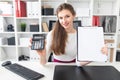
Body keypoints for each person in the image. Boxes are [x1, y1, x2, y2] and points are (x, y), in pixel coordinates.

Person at [30, 3, 108, 66]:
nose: (64, 21)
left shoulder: (80, 35)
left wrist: (97, 54)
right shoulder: (52, 34)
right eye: (60, 18)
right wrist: (41, 55)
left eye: (67, 16)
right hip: (56, 67)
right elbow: (43, 63)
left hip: (73, 67)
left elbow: (79, 63)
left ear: (74, 16)